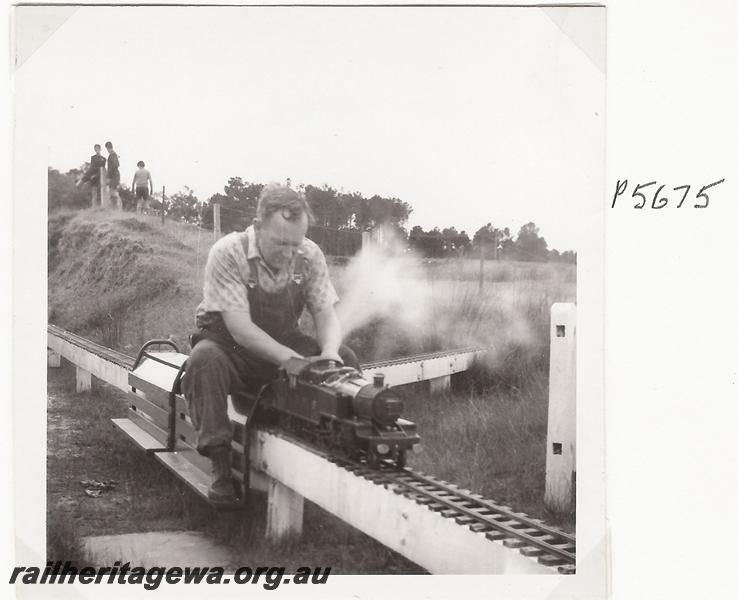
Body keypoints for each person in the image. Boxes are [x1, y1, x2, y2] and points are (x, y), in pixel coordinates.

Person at [181, 183, 359, 504]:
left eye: (295, 243)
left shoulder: (309, 255)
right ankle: (220, 465)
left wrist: (330, 352)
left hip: (282, 342)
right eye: (280, 243)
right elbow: (240, 329)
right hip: (231, 347)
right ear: (258, 226)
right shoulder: (228, 253)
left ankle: (340, 454)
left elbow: (325, 314)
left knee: (345, 358)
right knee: (203, 362)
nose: (289, 253)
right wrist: (290, 360)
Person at [104, 142, 120, 208]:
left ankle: (115, 206)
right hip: (114, 175)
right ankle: (114, 206)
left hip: (114, 176)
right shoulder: (113, 155)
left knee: (113, 191)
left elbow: (115, 165)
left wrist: (108, 176)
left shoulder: (113, 155)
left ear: (108, 148)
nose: (107, 150)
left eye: (107, 148)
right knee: (112, 191)